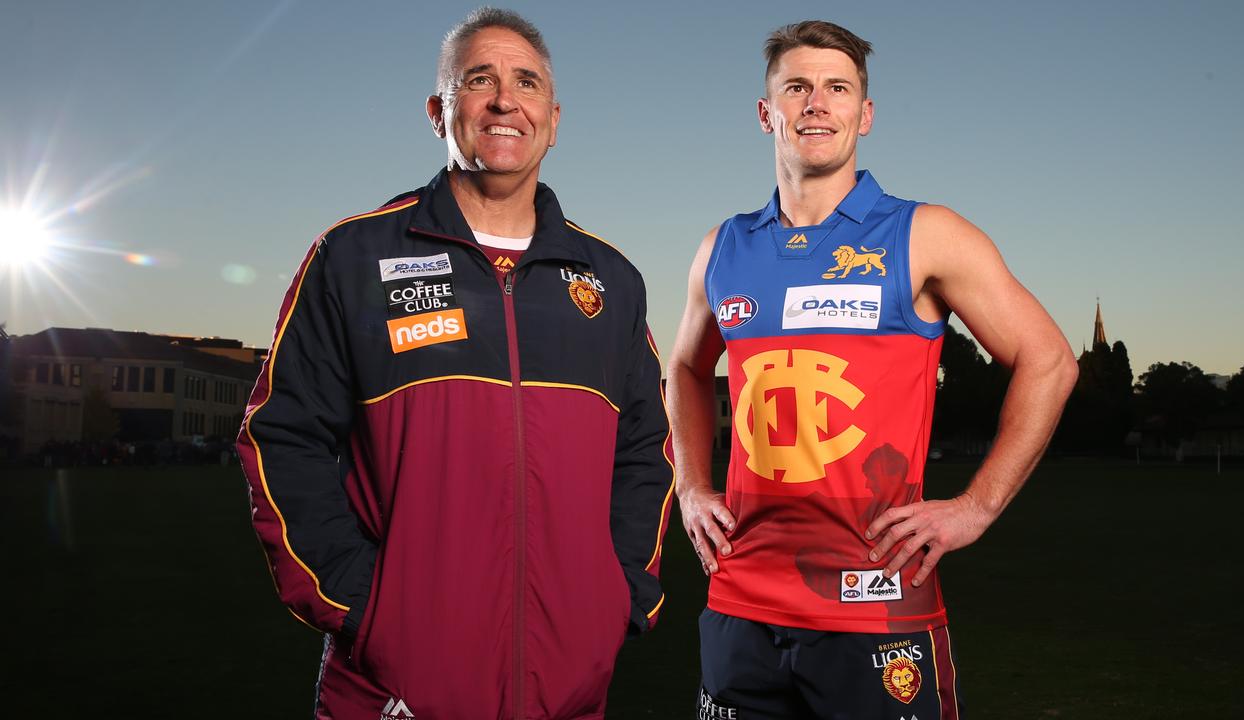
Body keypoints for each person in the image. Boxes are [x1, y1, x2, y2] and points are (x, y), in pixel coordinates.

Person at [236, 8, 674, 719]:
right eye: (481, 80)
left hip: (571, 688)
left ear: (553, 119)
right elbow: (281, 437)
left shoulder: (610, 281)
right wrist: (364, 605)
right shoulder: (354, 257)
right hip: (395, 685)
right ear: (441, 111)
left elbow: (647, 449)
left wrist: (619, 590)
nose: (506, 100)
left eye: (526, 83)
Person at [667, 20, 1077, 720]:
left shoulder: (924, 234)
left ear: (865, 113)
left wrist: (976, 507)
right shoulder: (722, 247)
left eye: (837, 88)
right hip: (740, 599)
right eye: (797, 88)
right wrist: (692, 484)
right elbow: (683, 366)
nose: (817, 104)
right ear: (768, 113)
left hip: (876, 603)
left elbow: (1050, 361)